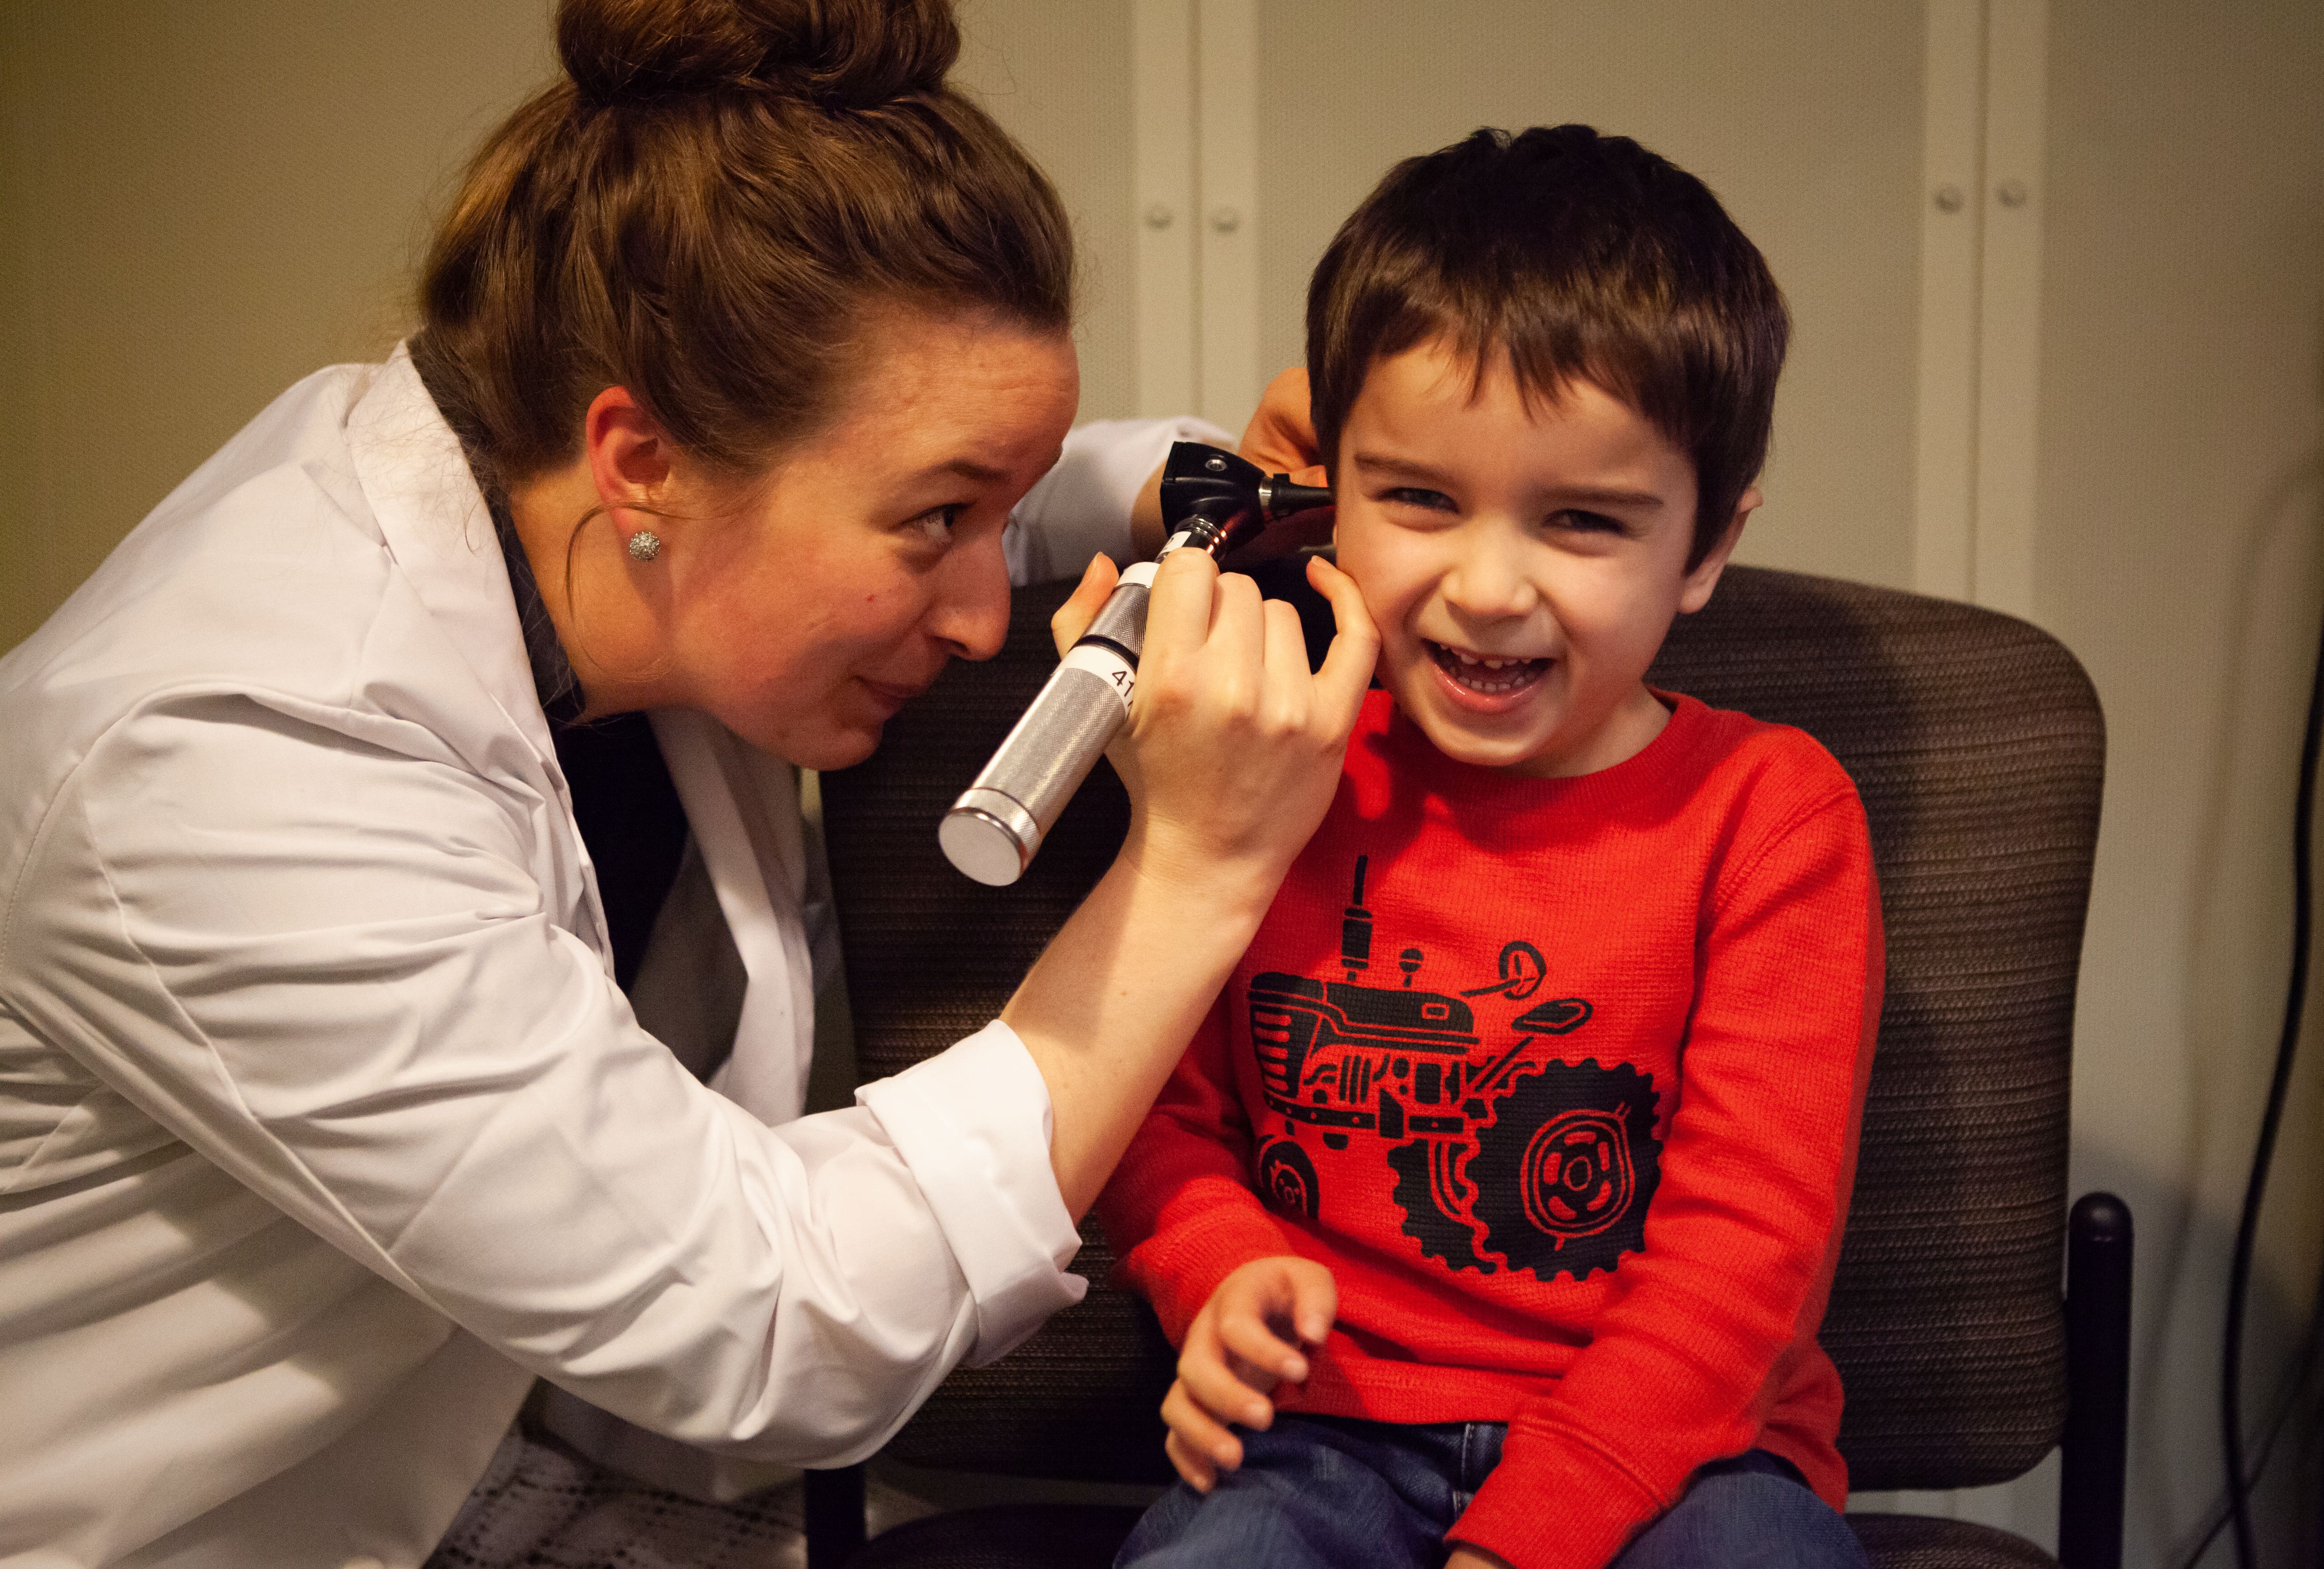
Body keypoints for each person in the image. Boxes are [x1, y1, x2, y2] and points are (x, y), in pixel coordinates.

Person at [0, 2, 1377, 1564]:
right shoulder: (240, 757)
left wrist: (1199, 484)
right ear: (640, 460)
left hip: (469, 1452)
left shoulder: (559, 491)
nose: (987, 613)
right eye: (938, 523)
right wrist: (1195, 869)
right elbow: (775, 1318)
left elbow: (962, 458)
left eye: (991, 518)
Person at [1097, 125, 1885, 1569]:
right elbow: (1151, 1102)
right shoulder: (1278, 746)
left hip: (1683, 1455)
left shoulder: (1771, 814)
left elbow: (1743, 1258)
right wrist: (1215, 1263)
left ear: (1707, 546)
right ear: (1330, 485)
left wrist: (1527, 1535)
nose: (1486, 585)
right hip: (1319, 1427)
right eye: (1417, 499)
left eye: (1582, 519)